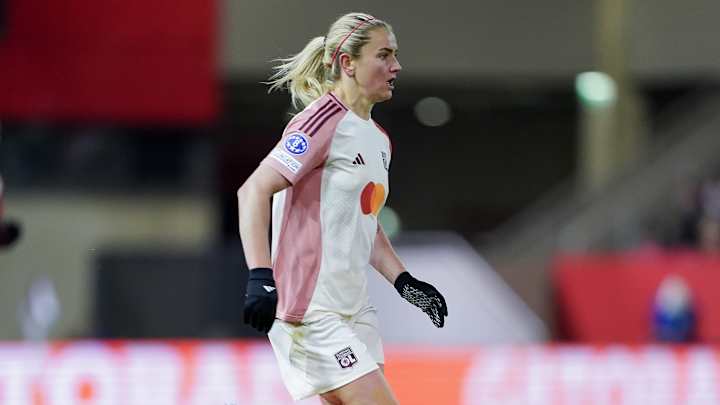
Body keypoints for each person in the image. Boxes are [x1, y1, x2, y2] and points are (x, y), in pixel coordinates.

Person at [236, 12, 448, 405]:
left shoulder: (378, 140)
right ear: (348, 63)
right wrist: (260, 276)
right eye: (383, 55)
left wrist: (405, 283)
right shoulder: (320, 122)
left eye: (395, 54)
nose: (396, 66)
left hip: (355, 310)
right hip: (312, 313)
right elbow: (252, 191)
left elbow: (364, 224)